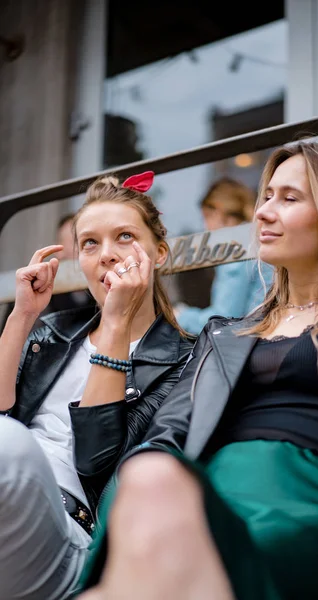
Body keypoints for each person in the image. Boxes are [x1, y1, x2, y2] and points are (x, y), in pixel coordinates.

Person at [77, 143, 318, 600]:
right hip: (215, 488)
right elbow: (166, 433)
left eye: (288, 199)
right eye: (266, 196)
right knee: (150, 478)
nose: (264, 212)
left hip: (311, 501)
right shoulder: (225, 333)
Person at [0, 170, 193, 600]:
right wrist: (22, 316)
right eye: (90, 243)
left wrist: (117, 322)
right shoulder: (54, 329)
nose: (106, 254)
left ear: (158, 252)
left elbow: (94, 461)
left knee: (8, 445)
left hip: (67, 532)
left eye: (124, 236)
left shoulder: (186, 358)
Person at [175, 178, 273, 334]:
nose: (205, 227)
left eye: (206, 217)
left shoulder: (236, 248)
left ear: (218, 211)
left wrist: (180, 315)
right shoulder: (256, 239)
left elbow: (224, 319)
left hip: (252, 341)